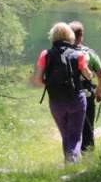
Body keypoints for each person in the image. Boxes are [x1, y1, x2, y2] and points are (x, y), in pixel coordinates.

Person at [32, 23, 94, 163]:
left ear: (53, 37)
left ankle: (68, 161)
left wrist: (51, 84)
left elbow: (38, 79)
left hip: (56, 101)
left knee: (66, 135)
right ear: (70, 37)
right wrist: (89, 75)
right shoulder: (78, 55)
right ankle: (72, 161)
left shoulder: (45, 54)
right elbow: (87, 75)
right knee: (76, 136)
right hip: (76, 99)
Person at [68, 21, 101, 153]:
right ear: (81, 35)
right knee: (88, 129)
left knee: (71, 130)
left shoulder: (63, 53)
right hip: (86, 95)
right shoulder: (89, 53)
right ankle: (88, 159)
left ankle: (71, 159)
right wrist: (99, 92)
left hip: (67, 96)